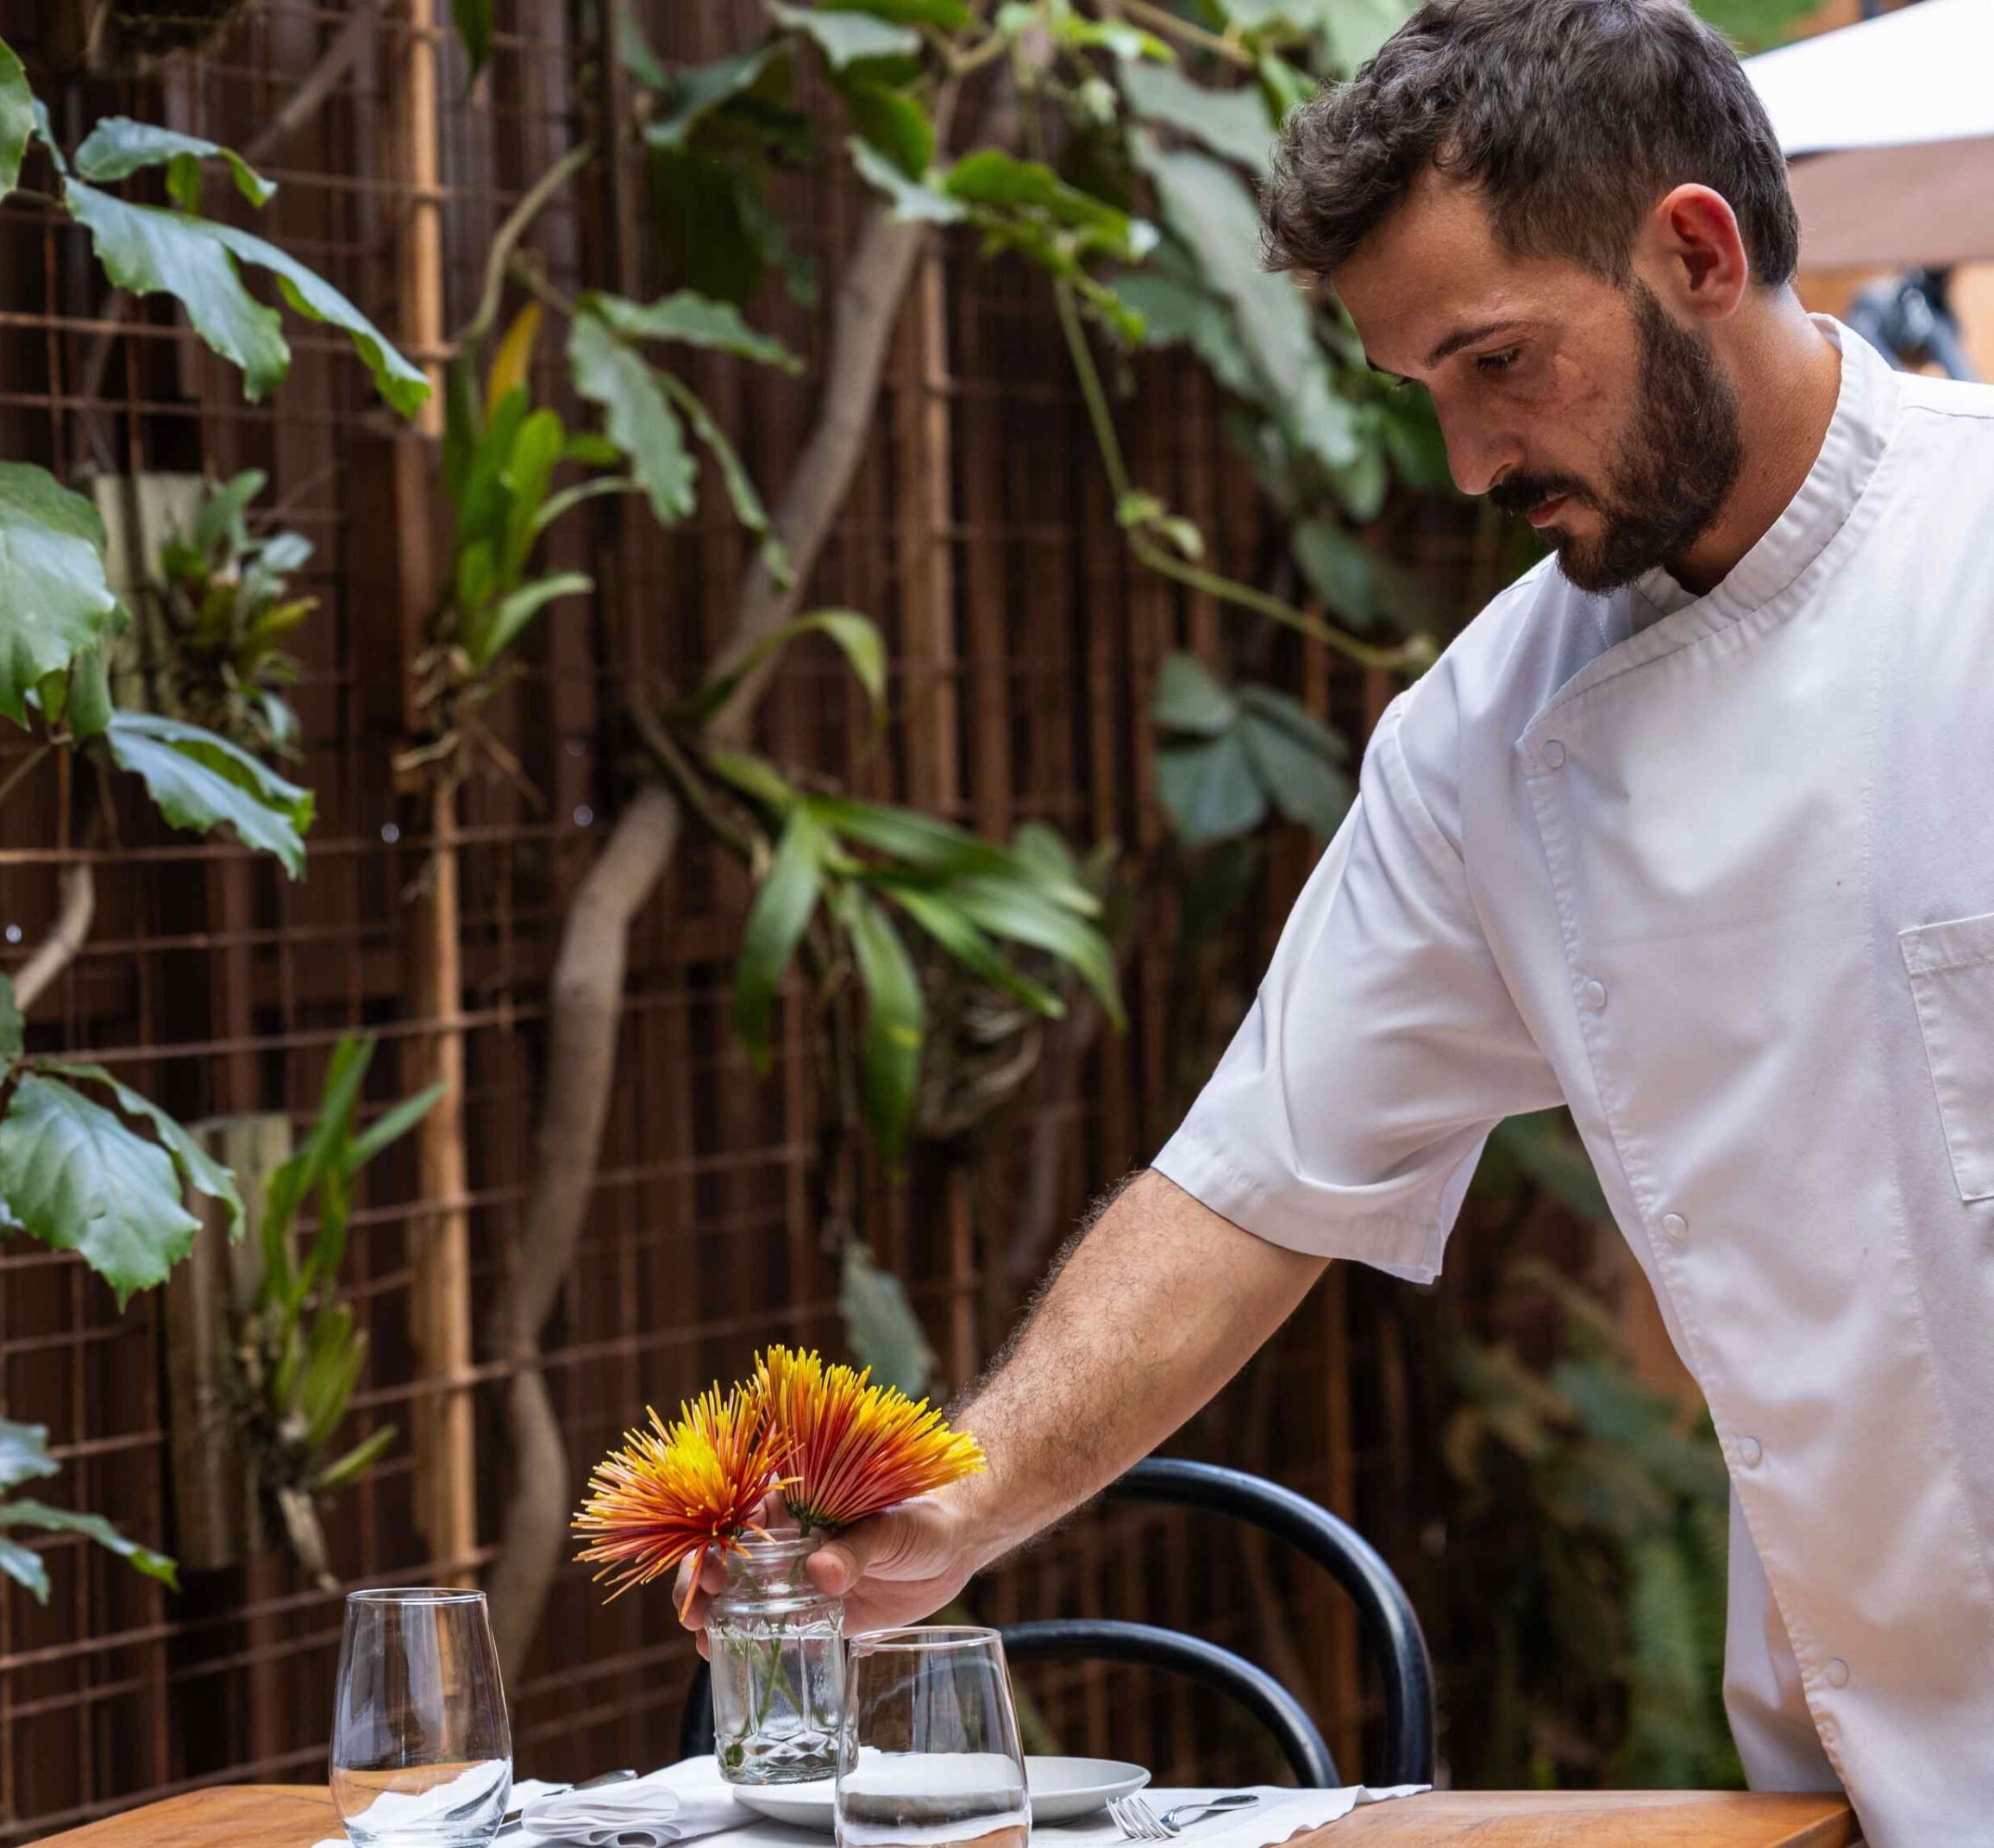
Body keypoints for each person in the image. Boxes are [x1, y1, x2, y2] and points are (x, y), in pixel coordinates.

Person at [681, 2, 1994, 1837]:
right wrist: (956, 1502)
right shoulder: (1484, 733)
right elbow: (1247, 1183)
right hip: (1848, 1767)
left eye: (1495, 360)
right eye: (1423, 391)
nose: (1465, 464)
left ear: (1694, 252)